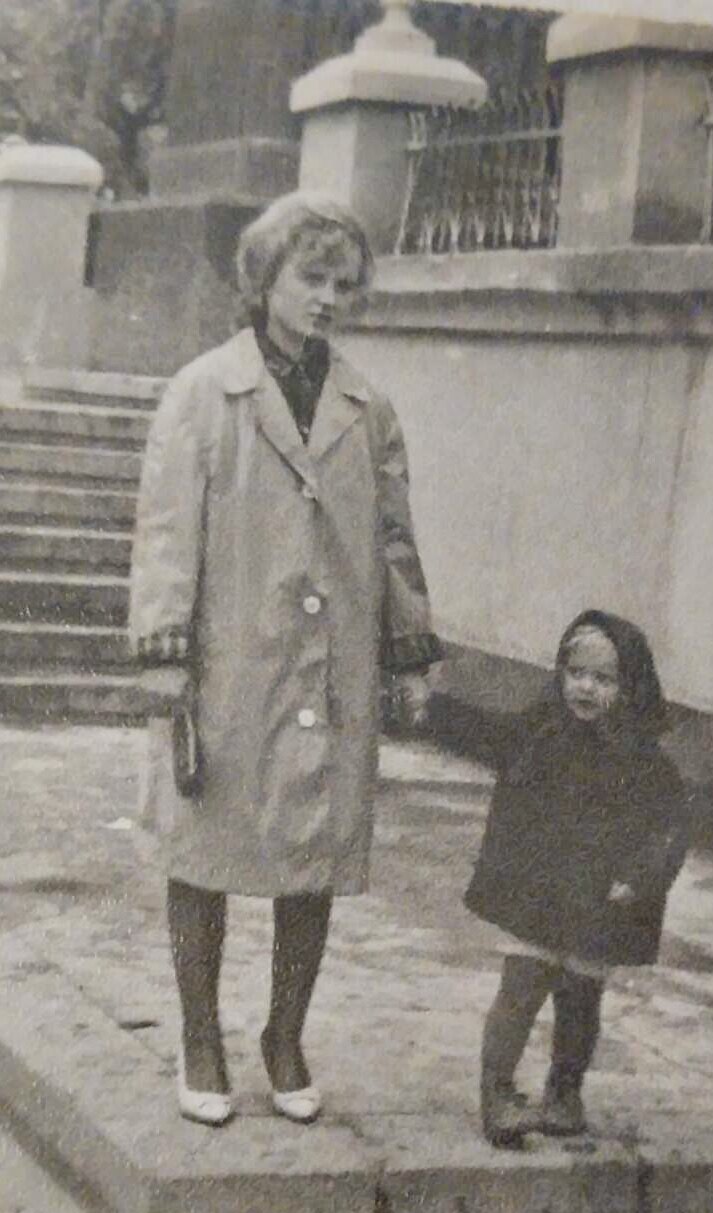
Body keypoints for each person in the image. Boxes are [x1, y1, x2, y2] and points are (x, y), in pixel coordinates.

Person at [129, 191, 441, 1126]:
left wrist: (408, 652)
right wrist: (165, 653)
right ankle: (200, 1037)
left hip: (331, 665)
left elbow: (393, 538)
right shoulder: (202, 392)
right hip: (230, 659)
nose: (328, 299)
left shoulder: (367, 407)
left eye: (345, 284)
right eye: (312, 278)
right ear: (264, 278)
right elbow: (166, 530)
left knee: (316, 848)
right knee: (205, 845)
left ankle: (285, 1034)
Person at [429, 610, 690, 1148]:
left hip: (602, 899)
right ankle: (497, 1094)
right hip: (541, 891)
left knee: (581, 995)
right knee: (521, 986)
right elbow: (485, 736)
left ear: (631, 687)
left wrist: (640, 877)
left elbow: (670, 828)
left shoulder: (646, 763)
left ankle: (564, 1094)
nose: (585, 688)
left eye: (603, 679)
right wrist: (430, 707)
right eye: (576, 673)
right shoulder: (539, 731)